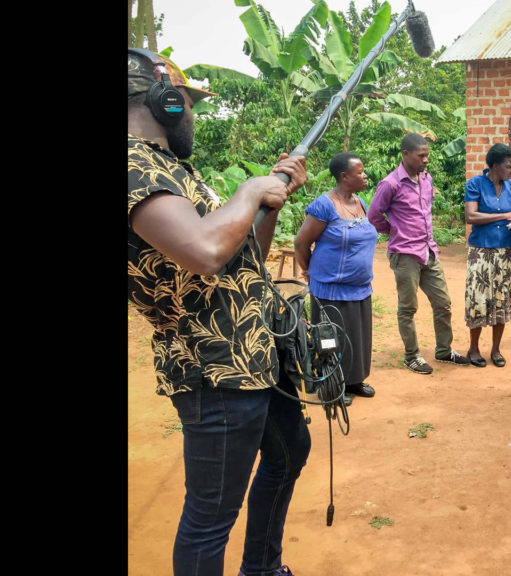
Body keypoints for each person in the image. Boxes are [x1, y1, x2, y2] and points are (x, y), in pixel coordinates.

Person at [128, 48, 309, 576]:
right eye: (188, 101)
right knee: (210, 517)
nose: (193, 114)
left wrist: (265, 207)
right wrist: (252, 187)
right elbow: (205, 252)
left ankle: (262, 568)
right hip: (215, 370)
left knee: (288, 451)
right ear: (164, 100)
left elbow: (237, 248)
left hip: (254, 356)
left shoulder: (169, 169)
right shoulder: (132, 166)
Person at [367, 133, 471, 374]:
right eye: (420, 155)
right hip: (404, 254)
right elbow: (373, 215)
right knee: (408, 307)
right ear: (405, 154)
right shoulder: (391, 183)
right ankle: (412, 355)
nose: (425, 159)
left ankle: (444, 350)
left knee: (443, 303)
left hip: (428, 251)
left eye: (427, 155)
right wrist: (393, 231)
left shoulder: (427, 178)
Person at [293, 152, 377, 406]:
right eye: (359, 172)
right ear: (344, 176)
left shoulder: (359, 202)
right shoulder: (324, 205)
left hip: (360, 287)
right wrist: (310, 271)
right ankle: (331, 386)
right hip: (330, 289)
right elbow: (301, 242)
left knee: (357, 337)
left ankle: (353, 381)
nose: (365, 176)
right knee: (331, 339)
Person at [463, 143, 511, 368]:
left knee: (502, 299)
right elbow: (471, 216)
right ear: (493, 165)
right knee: (478, 299)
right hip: (481, 250)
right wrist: (504, 216)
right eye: (508, 166)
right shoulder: (475, 184)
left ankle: (496, 349)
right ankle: (473, 348)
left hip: (507, 250)